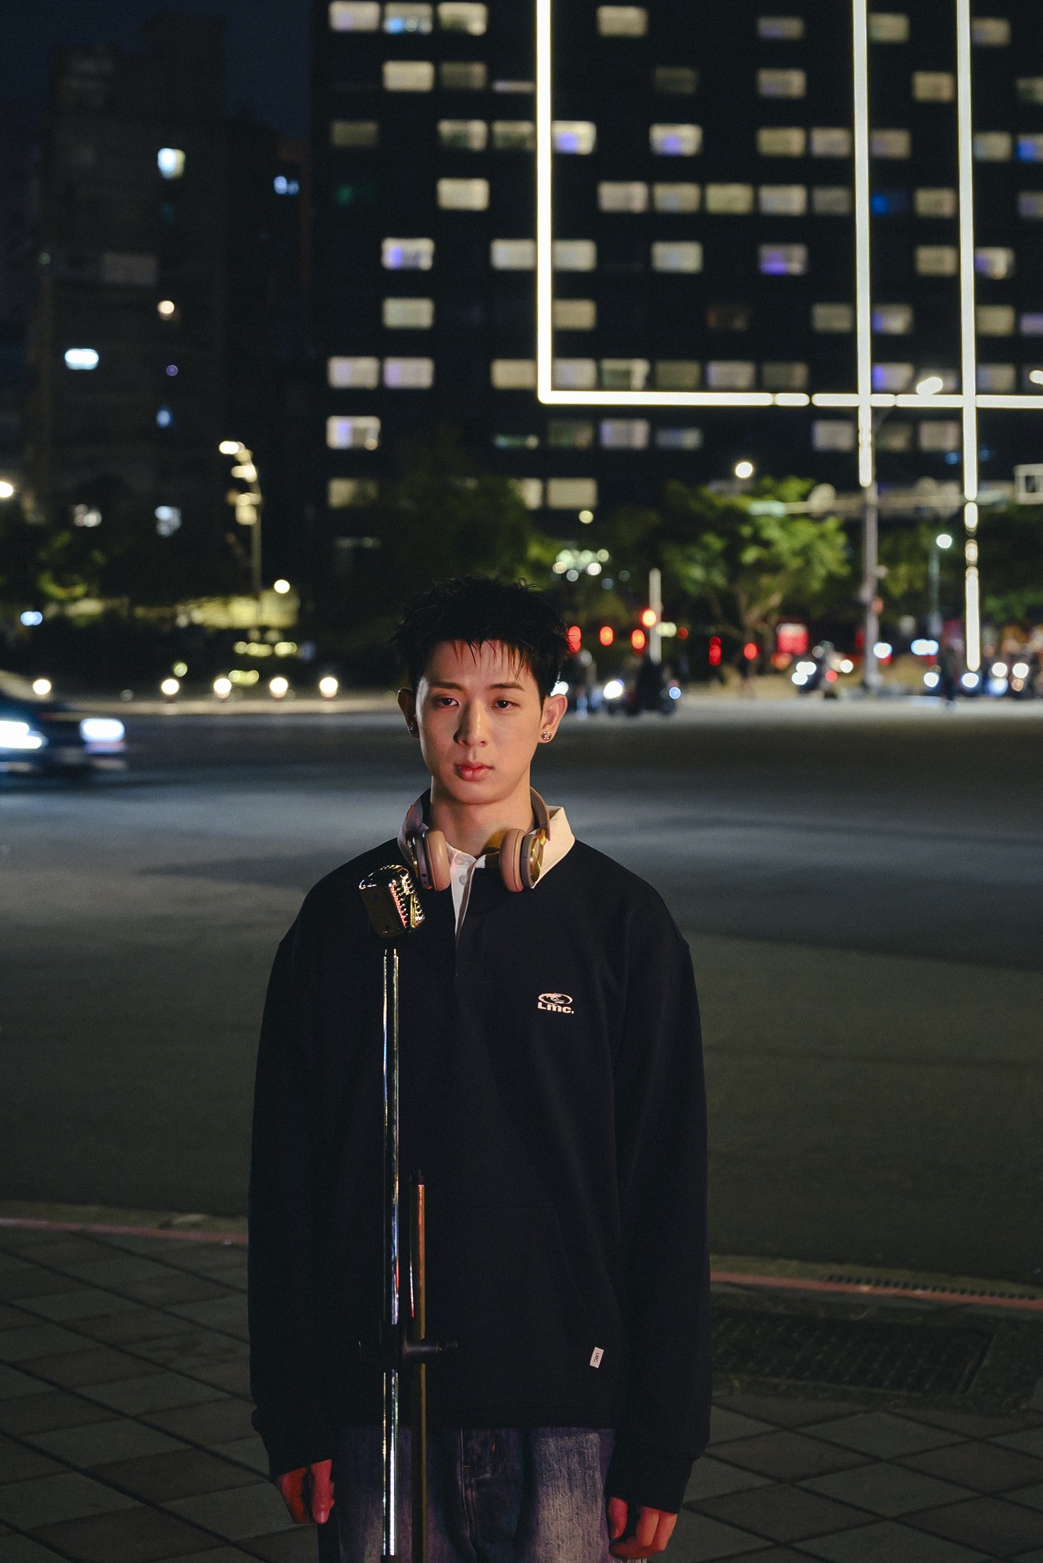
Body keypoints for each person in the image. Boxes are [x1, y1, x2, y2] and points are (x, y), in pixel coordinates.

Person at [248, 575, 710, 1562]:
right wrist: (291, 1410)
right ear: (408, 709)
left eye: (504, 702)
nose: (474, 733)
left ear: (551, 715)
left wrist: (663, 1439)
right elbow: (286, 1181)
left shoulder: (623, 924)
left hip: (569, 1406)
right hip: (375, 1405)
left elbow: (667, 1189)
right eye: (447, 700)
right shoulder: (339, 921)